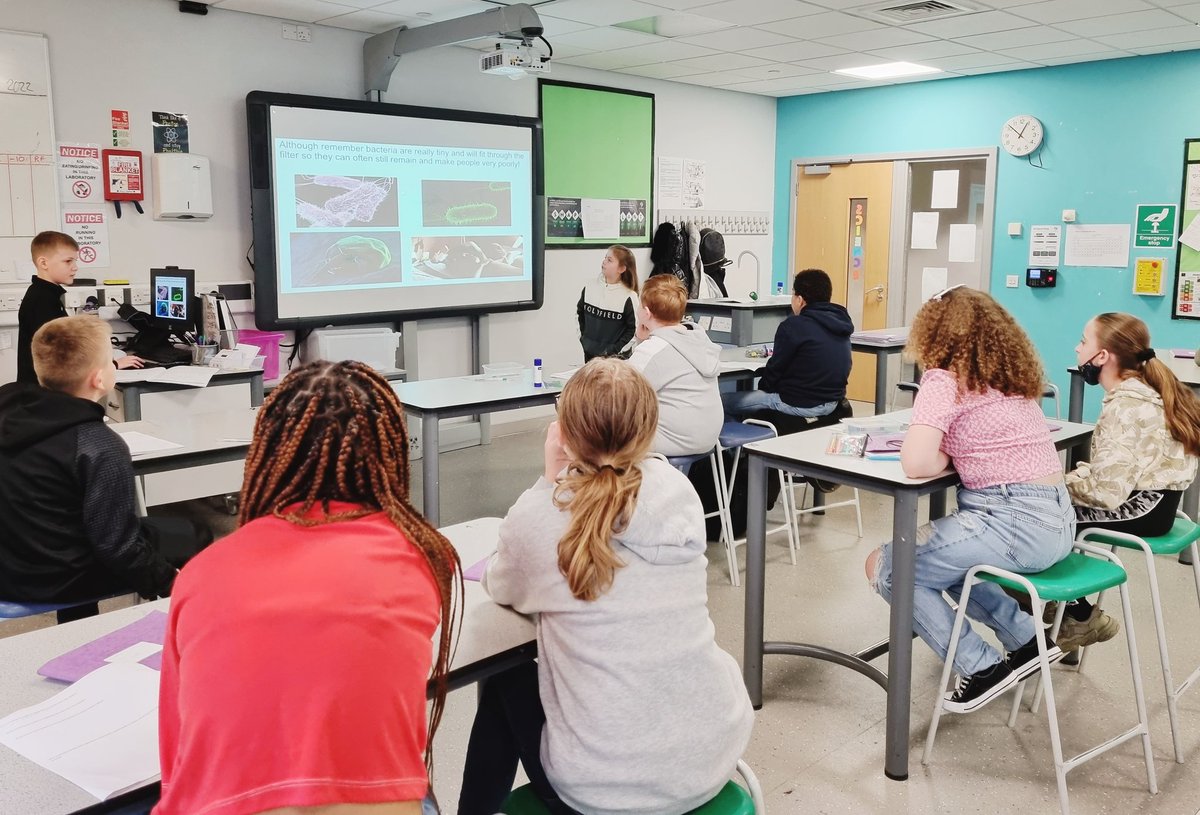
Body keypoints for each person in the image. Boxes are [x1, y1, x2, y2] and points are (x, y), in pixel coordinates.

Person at [154, 360, 461, 815]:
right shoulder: (424, 557)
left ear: (267, 454)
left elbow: (177, 753)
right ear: (389, 455)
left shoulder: (202, 573)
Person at [458, 359, 754, 815]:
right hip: (711, 756)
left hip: (602, 790)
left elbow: (502, 583)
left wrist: (548, 480)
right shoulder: (680, 493)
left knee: (507, 675)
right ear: (650, 429)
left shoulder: (542, 516)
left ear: (565, 432)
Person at [864, 286, 1075, 714]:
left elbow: (916, 463)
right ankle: (1027, 639)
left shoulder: (944, 379)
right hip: (1058, 522)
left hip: (1010, 523)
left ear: (935, 333)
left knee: (888, 566)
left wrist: (943, 451)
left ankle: (981, 668)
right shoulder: (1011, 378)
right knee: (946, 564)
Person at [0, 316, 203, 622]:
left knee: (67, 523)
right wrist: (169, 581)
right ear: (98, 379)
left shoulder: (9, 410)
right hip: (57, 580)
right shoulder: (98, 445)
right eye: (111, 360)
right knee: (194, 533)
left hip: (9, 568)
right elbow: (117, 548)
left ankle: (77, 626)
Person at [1047, 313, 1200, 651]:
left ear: (1102, 356)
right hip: (1160, 505)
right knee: (1052, 505)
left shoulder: (1125, 406)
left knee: (1044, 516)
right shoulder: (1145, 390)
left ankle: (1076, 616)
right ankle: (1069, 612)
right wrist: (1070, 481)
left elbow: (1106, 492)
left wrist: (1055, 487)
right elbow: (1113, 472)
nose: (1077, 348)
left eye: (1083, 341)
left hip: (1143, 509)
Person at [721, 268, 853, 420]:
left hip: (797, 403)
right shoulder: (840, 322)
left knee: (721, 402)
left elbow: (775, 370)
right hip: (832, 403)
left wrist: (764, 390)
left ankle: (742, 435)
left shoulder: (794, 326)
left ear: (799, 299)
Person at [17, 231, 142, 384]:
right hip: (42, 391)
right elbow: (60, 357)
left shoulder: (45, 294)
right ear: (44, 263)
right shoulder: (42, 300)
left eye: (75, 261)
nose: (75, 268)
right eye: (68, 261)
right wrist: (113, 365)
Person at [627, 274, 722, 457]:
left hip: (673, 439)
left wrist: (641, 343)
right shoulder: (699, 339)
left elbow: (622, 393)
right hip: (707, 438)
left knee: (601, 430)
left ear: (646, 313)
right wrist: (642, 341)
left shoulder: (653, 350)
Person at [577, 244, 639, 361]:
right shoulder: (589, 287)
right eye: (605, 258)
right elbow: (579, 314)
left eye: (609, 260)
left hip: (616, 360)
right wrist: (585, 341)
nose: (604, 262)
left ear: (621, 269)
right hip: (590, 356)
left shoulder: (629, 296)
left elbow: (633, 330)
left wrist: (614, 351)